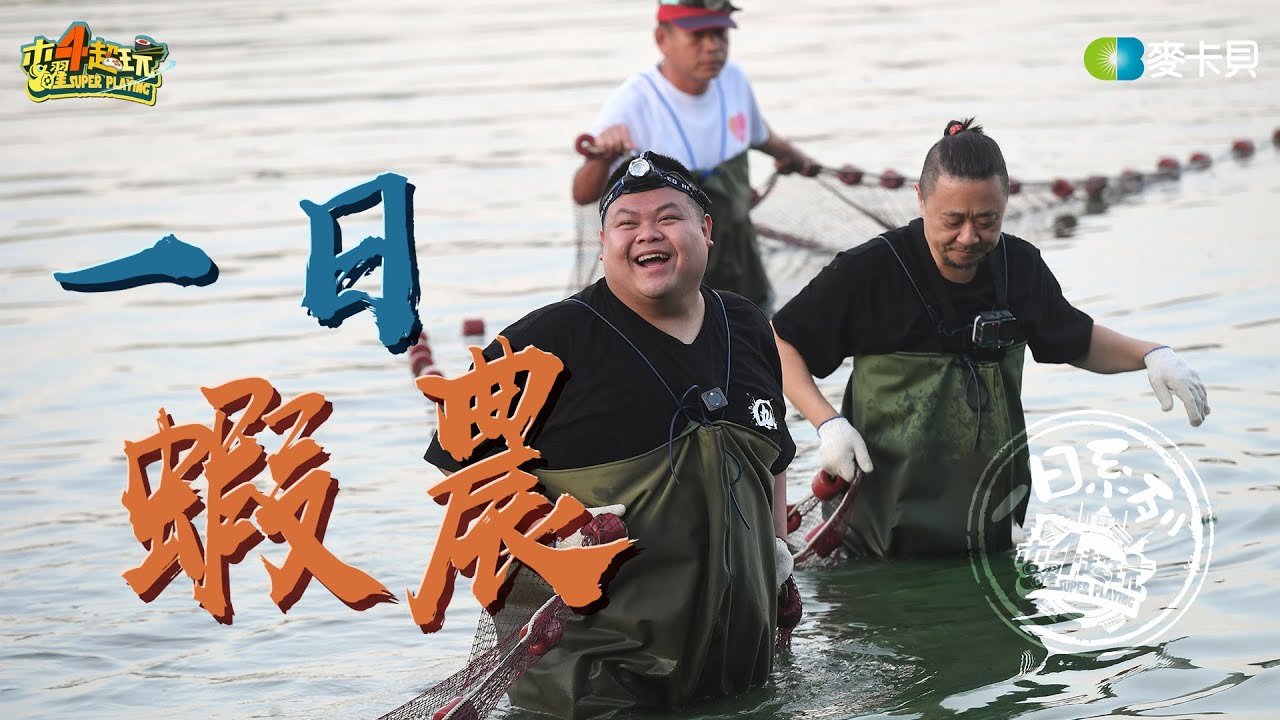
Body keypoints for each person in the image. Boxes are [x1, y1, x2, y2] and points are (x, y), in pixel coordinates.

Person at [425, 152, 796, 718]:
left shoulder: (744, 325)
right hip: (595, 682)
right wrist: (546, 541)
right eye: (627, 222)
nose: (648, 234)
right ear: (603, 241)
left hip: (737, 670)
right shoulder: (546, 343)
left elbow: (772, 458)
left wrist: (777, 552)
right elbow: (461, 474)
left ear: (707, 230)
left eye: (669, 217)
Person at [771, 119, 1210, 559]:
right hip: (876, 534)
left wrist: (1152, 355)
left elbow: (1075, 339)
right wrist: (828, 424)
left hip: (987, 525)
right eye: (952, 220)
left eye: (986, 220)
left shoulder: (1018, 266)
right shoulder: (869, 272)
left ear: (1005, 203)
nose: (969, 237)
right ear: (921, 200)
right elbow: (781, 343)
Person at [571, 0, 817, 311]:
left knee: (756, 336)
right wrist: (602, 158)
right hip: (672, 282)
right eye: (698, 36)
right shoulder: (633, 102)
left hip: (742, 270)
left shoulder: (734, 81)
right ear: (662, 39)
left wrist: (799, 159)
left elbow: (761, 136)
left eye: (720, 35)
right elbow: (582, 193)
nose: (713, 47)